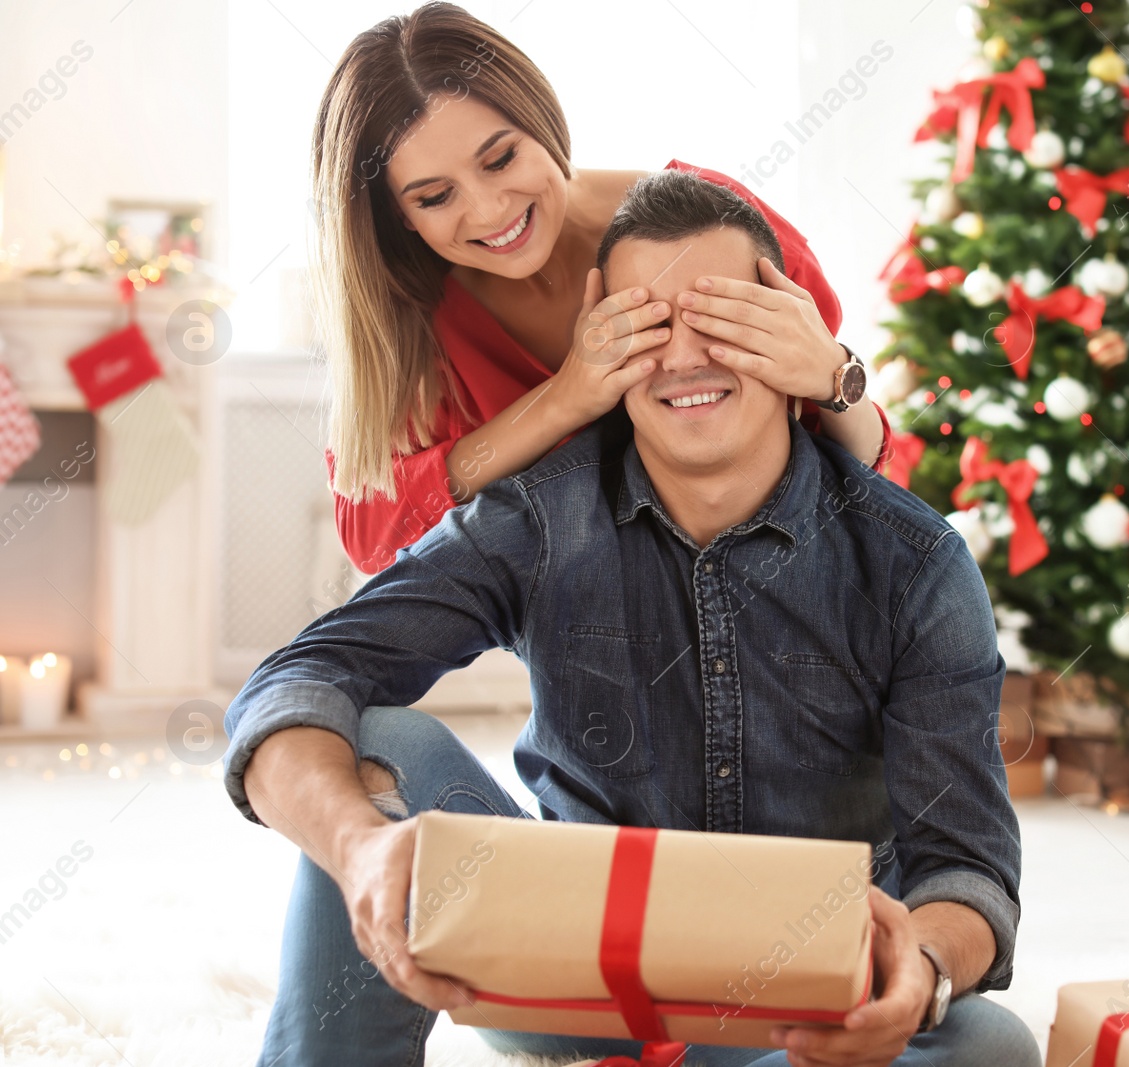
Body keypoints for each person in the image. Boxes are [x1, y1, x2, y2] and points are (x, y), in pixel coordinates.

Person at [223, 170, 1037, 1067]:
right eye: (648, 324)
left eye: (720, 317)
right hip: (577, 975)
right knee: (378, 742)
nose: (686, 357)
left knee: (988, 1046)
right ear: (597, 337)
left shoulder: (915, 562)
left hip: (810, 996)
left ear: (786, 323)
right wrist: (357, 847)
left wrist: (919, 964)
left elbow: (967, 866)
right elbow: (294, 682)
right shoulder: (537, 518)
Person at [311, 1, 889, 574]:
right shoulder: (417, 322)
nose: (488, 212)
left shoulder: (710, 225)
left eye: (501, 158)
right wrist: (564, 401)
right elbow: (374, 536)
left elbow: (862, 475)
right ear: (399, 216)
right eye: (434, 197)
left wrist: (835, 377)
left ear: (538, 117)